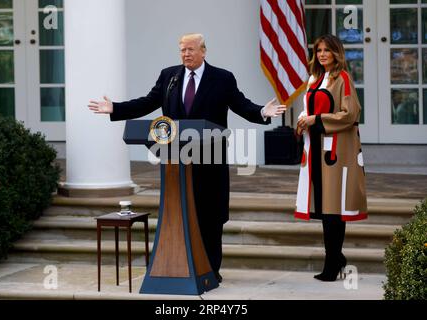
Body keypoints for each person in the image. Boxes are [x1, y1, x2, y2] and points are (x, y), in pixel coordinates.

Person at [89, 33, 286, 283]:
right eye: (182, 50)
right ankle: (181, 266)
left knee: (210, 216)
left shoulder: (222, 78)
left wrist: (262, 112)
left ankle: (211, 271)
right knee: (180, 212)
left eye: (191, 49)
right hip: (175, 158)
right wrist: (116, 108)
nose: (186, 54)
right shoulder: (169, 75)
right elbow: (148, 102)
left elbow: (240, 104)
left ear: (204, 50)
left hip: (210, 157)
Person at [295, 34, 368, 282]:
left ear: (337, 53)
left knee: (333, 209)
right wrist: (302, 121)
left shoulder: (342, 79)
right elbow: (308, 109)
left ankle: (333, 261)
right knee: (324, 208)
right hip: (316, 149)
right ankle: (336, 259)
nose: (323, 54)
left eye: (328, 50)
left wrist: (317, 120)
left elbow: (351, 114)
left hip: (335, 153)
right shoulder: (314, 79)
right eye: (319, 50)